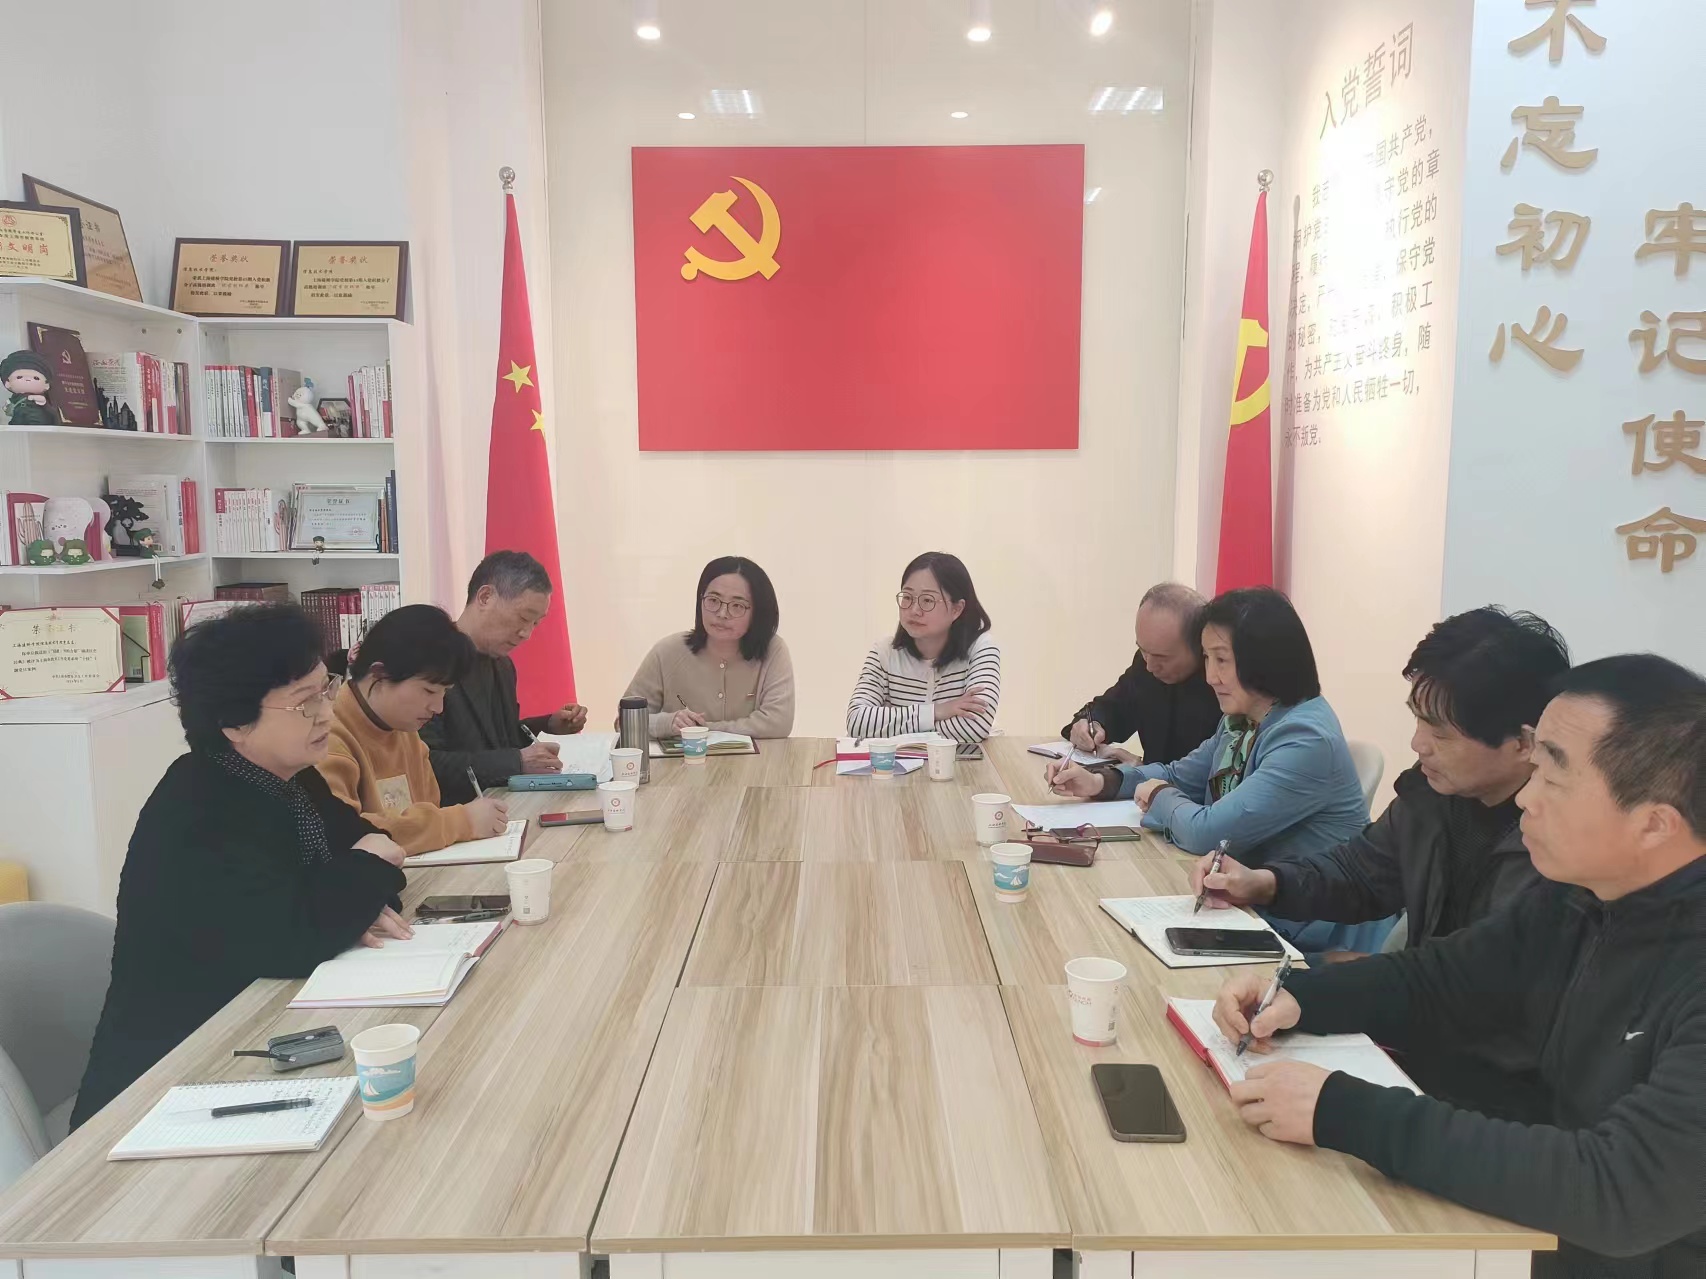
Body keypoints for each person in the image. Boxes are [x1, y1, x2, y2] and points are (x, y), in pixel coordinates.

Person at [1212, 655, 1706, 1279]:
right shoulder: (1584, 897)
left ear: (1655, 824)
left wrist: (1344, 1112)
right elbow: (1446, 978)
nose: (1525, 798)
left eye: (1554, 779)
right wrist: (1302, 996)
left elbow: (1622, 1190)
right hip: (1534, 1221)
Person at [73, 605, 411, 1128]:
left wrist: (352, 894)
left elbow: (378, 858)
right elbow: (294, 937)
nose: (327, 712)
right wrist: (352, 889)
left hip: (262, 1039)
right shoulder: (197, 809)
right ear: (234, 722)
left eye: (326, 689)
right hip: (164, 1086)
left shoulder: (293, 776)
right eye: (304, 702)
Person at [1191, 607, 1570, 956]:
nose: (1418, 744)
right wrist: (1265, 883)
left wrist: (1359, 977)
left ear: (1523, 744)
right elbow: (1360, 873)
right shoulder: (1432, 793)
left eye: (1440, 733)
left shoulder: (1558, 850)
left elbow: (1478, 977)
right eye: (1418, 719)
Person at [1047, 587, 1375, 950]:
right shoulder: (1243, 720)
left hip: (1305, 936)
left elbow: (1208, 833)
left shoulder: (1305, 739)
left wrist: (1160, 795)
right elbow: (1179, 775)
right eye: (1207, 658)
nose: (1210, 676)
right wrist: (1100, 782)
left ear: (1265, 660)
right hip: (1243, 907)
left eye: (1222, 660)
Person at [318, 604, 512, 855]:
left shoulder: (405, 730)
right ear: (379, 674)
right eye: (429, 691)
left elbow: (428, 808)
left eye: (444, 693)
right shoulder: (326, 737)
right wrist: (461, 821)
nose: (438, 707)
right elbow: (345, 833)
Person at [421, 550, 588, 802]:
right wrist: (516, 761)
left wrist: (548, 725)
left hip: (504, 805)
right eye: (523, 618)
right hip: (455, 812)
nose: (526, 634)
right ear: (485, 597)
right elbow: (426, 762)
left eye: (535, 623)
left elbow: (498, 739)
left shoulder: (503, 665)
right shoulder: (430, 661)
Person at [623, 556, 795, 740]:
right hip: (683, 759)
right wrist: (667, 723)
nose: (722, 613)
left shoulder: (773, 650)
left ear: (758, 612)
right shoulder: (667, 651)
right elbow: (624, 722)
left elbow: (778, 723)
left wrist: (702, 729)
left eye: (737, 605)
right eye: (713, 600)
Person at [846, 551, 1000, 746]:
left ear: (956, 609)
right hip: (897, 765)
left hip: (962, 765)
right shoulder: (884, 652)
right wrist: (937, 711)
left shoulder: (981, 648)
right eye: (907, 597)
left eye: (927, 600)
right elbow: (857, 722)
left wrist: (891, 728)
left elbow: (974, 727)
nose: (914, 610)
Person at [1060, 582, 1223, 766]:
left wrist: (1142, 771)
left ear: (1200, 646)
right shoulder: (1145, 664)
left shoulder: (1224, 687)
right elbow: (1115, 707)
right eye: (1143, 651)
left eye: (1162, 657)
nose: (1150, 667)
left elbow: (1214, 776)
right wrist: (1092, 724)